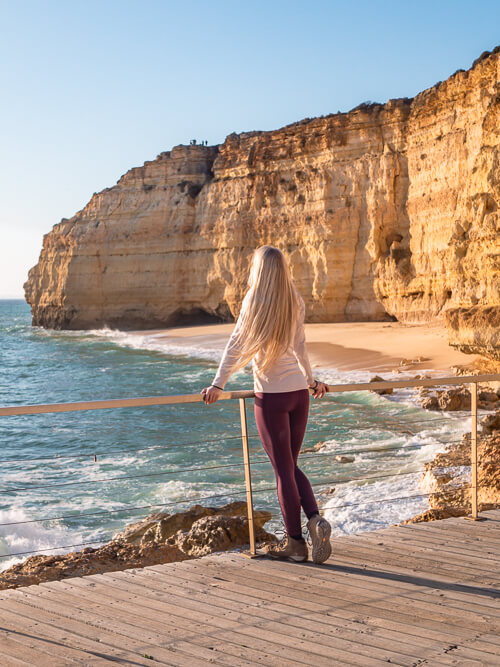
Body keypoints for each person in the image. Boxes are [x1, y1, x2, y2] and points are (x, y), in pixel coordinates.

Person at [201, 245, 332, 564]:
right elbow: (300, 346)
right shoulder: (295, 300)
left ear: (259, 270)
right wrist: (311, 381)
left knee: (283, 472)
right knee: (290, 466)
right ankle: (314, 519)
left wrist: (219, 383)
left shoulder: (254, 300)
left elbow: (235, 344)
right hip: (299, 395)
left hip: (271, 398)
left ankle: (296, 545)